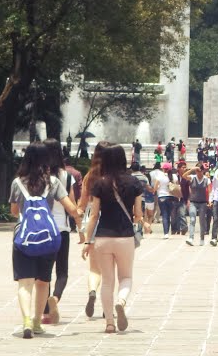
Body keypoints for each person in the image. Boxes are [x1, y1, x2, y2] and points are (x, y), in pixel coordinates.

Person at [9, 143, 80, 337]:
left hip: (23, 238)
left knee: (25, 283)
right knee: (43, 282)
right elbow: (71, 209)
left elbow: (14, 211)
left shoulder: (17, 183)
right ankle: (38, 322)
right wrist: (82, 212)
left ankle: (26, 321)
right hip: (48, 239)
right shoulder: (54, 182)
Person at [81, 144, 148, 334]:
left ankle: (109, 323)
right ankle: (121, 302)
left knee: (107, 281)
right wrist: (143, 221)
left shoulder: (99, 183)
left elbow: (93, 216)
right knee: (126, 277)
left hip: (103, 237)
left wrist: (87, 241)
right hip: (125, 237)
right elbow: (137, 214)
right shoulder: (134, 183)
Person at [41, 139, 80, 325]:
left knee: (44, 272)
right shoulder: (66, 176)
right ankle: (55, 298)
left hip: (42, 229)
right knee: (62, 271)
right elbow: (71, 205)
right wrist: (80, 228)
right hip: (61, 229)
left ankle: (46, 313)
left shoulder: (37, 175)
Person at [77, 142, 109, 318]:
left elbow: (82, 205)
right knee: (109, 271)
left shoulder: (89, 176)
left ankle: (92, 292)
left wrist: (77, 217)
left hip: (92, 221)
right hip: (111, 222)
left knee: (94, 269)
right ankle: (107, 307)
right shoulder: (114, 176)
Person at [184, 162, 211, 246]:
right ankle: (191, 238)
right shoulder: (192, 178)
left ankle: (202, 238)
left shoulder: (206, 179)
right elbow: (184, 176)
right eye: (197, 171)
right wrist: (192, 169)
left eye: (200, 171)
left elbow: (210, 191)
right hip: (193, 202)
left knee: (202, 221)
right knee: (192, 219)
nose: (198, 173)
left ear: (203, 171)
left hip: (203, 202)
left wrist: (209, 200)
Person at [149, 162, 176, 237]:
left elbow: (155, 188)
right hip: (171, 197)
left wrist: (155, 190)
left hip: (161, 197)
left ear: (163, 168)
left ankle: (166, 233)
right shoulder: (173, 176)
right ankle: (169, 230)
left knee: (164, 214)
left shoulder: (160, 176)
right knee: (169, 215)